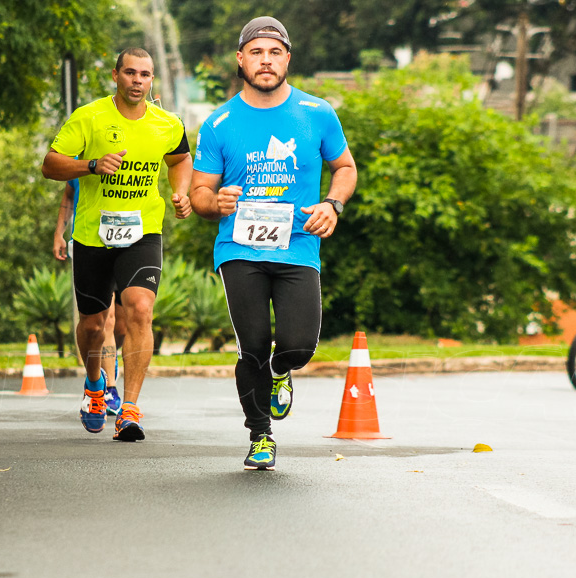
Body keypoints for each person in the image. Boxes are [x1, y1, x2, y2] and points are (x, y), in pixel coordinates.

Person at [191, 17, 357, 470]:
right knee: (253, 344)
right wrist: (215, 200)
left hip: (298, 245)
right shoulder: (219, 122)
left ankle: (282, 372)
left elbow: (345, 168)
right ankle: (260, 433)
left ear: (288, 59)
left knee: (298, 345)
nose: (266, 61)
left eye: (275, 52)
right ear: (241, 59)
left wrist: (333, 205)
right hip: (239, 249)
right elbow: (199, 194)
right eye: (257, 52)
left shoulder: (317, 113)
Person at [41, 47, 192, 441]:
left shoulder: (167, 123)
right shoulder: (89, 118)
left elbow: (180, 159)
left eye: (145, 74)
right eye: (130, 73)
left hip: (143, 232)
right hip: (93, 235)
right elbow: (50, 164)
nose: (138, 81)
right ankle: (94, 388)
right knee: (93, 325)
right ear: (116, 75)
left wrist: (181, 193)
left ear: (152, 79)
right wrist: (91, 165)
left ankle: (130, 409)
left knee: (140, 309)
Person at [54, 180, 124, 415]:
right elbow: (68, 195)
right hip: (87, 242)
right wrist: (59, 233)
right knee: (104, 320)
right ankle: (108, 389)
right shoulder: (79, 158)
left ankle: (107, 364)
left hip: (124, 240)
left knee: (121, 326)